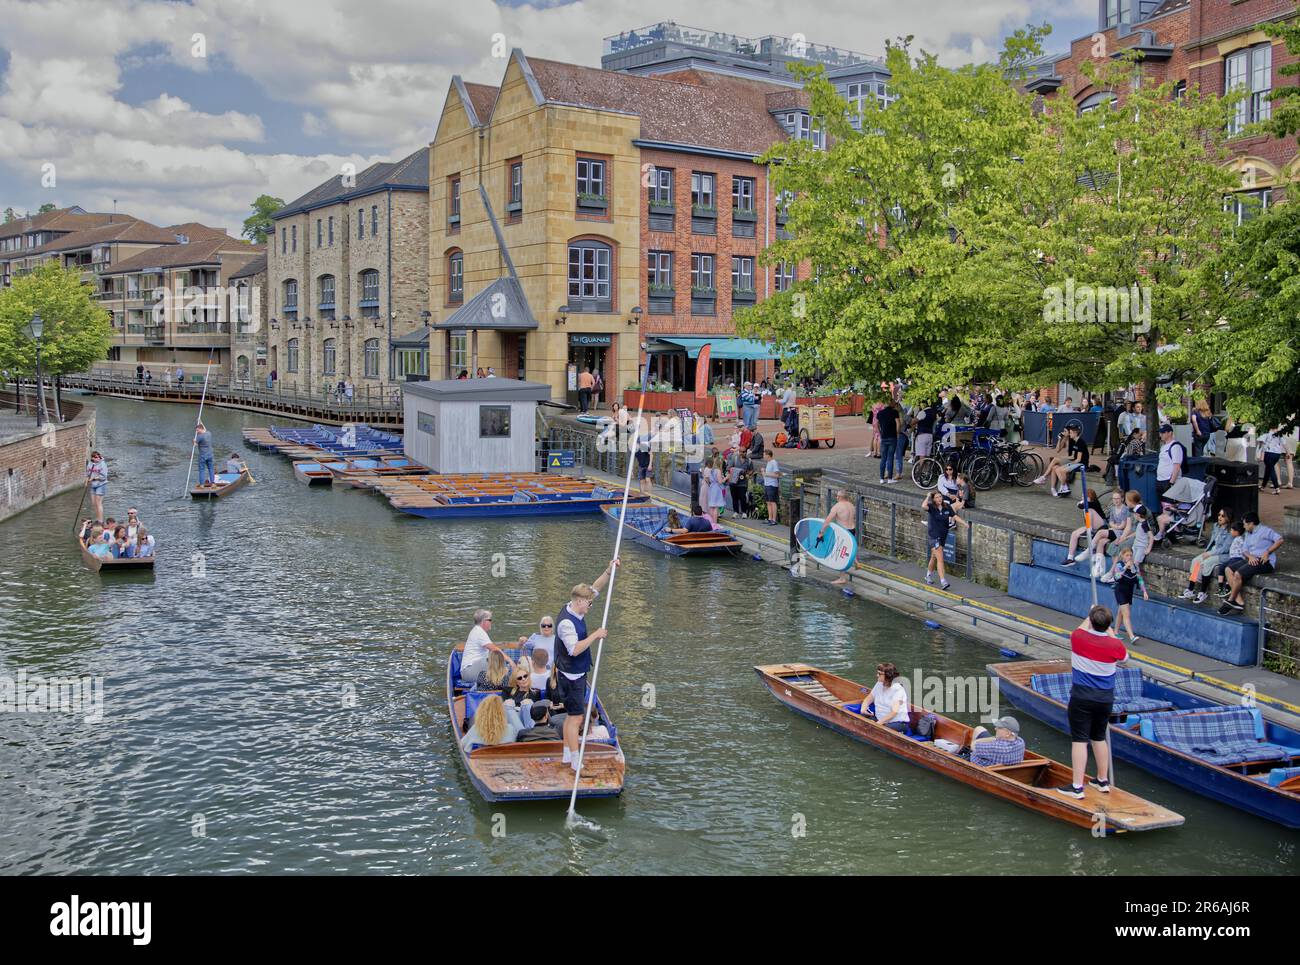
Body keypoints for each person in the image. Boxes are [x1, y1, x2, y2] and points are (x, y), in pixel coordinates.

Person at [554, 560, 619, 769]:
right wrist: (596, 635)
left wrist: (609, 570)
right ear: (579, 601)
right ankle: (575, 760)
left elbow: (597, 587)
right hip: (570, 676)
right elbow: (574, 650)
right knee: (576, 719)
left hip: (576, 674)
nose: (591, 607)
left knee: (571, 717)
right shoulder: (566, 623)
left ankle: (566, 754)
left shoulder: (576, 606)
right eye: (589, 604)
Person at [1057, 606, 1127, 799]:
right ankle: (1102, 781)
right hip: (1105, 699)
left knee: (1080, 740)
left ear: (1091, 620)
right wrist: (1109, 631)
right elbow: (1124, 657)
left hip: (1082, 698)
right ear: (1109, 625)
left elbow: (1081, 627)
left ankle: (1077, 787)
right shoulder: (1115, 646)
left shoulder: (1078, 638)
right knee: (1098, 737)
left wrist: (1089, 614)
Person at [1221, 512, 1283, 614]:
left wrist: (1267, 552)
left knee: (1237, 574)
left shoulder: (1266, 531)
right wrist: (1250, 557)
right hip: (1251, 559)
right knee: (1228, 569)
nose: (1244, 526)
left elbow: (1280, 540)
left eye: (1245, 524)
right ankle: (1238, 601)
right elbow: (1244, 550)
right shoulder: (1247, 534)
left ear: (1251, 523)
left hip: (1265, 561)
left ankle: (1231, 600)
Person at [1182, 509, 1234, 605]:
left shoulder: (1230, 531)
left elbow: (1225, 549)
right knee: (1195, 561)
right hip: (1213, 551)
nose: (1220, 517)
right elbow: (1212, 542)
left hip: (1223, 555)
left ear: (1228, 518)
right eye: (1219, 514)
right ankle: (1190, 589)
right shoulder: (1216, 526)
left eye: (1223, 516)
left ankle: (1203, 592)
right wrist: (1207, 552)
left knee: (1207, 563)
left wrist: (1210, 554)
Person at [1103, 548, 1148, 643]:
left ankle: (1115, 632)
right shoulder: (1119, 565)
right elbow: (1117, 577)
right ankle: (1132, 636)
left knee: (1121, 613)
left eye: (1131, 555)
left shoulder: (1134, 567)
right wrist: (1125, 567)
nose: (1129, 557)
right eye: (1127, 555)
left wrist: (1144, 591)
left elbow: (1140, 579)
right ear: (1123, 556)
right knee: (1126, 614)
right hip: (1120, 590)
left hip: (1129, 592)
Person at [923, 491, 964, 590]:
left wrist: (965, 524)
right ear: (933, 499)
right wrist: (928, 496)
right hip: (933, 536)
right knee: (940, 558)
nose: (939, 499)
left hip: (943, 536)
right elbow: (923, 506)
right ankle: (943, 581)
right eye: (936, 497)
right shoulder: (931, 507)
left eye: (940, 497)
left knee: (934, 556)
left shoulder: (947, 507)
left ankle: (928, 575)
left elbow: (954, 516)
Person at [1035, 422, 1089, 498]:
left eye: (1068, 432)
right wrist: (1060, 439)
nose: (1067, 433)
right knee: (1055, 467)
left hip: (1079, 463)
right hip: (1074, 461)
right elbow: (1061, 451)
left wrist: (1068, 464)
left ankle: (1062, 486)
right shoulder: (1073, 440)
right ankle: (1054, 488)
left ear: (1074, 433)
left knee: (1058, 466)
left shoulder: (1079, 441)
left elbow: (1077, 459)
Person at [818, 490, 858, 586]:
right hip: (852, 529)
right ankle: (856, 562)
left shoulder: (837, 506)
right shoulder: (852, 506)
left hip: (843, 531)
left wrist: (821, 532)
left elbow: (827, 521)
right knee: (849, 548)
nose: (836, 498)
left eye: (837, 496)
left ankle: (842, 578)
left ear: (839, 497)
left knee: (841, 554)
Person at [864, 663, 911, 732]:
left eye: (879, 674)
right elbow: (869, 698)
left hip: (897, 723)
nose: (877, 675)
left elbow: (894, 712)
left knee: (878, 730)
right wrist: (863, 708)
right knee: (862, 718)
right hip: (880, 719)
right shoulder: (879, 683)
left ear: (888, 675)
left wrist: (878, 723)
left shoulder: (898, 689)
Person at [460, 609, 501, 685]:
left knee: (495, 660)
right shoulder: (479, 632)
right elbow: (495, 650)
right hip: (469, 673)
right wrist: (511, 662)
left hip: (469, 672)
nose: (491, 622)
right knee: (496, 658)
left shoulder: (478, 631)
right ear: (484, 621)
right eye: (490, 620)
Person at [874, 399, 902, 483]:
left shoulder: (880, 413)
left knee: (883, 458)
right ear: (892, 403)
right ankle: (890, 478)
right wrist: (897, 433)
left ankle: (881, 478)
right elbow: (898, 423)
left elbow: (876, 424)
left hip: (884, 437)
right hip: (892, 437)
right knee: (890, 458)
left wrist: (880, 432)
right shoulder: (895, 412)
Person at [1258, 426, 1285, 496]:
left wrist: (1261, 453)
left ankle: (1276, 488)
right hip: (1277, 454)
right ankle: (1263, 486)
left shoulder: (1267, 434)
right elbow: (1284, 444)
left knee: (1271, 470)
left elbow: (1263, 444)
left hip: (1268, 453)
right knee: (1268, 470)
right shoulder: (1279, 434)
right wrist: (1287, 452)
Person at [726, 445, 751, 516]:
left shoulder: (749, 461)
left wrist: (748, 474)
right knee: (734, 498)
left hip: (743, 483)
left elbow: (751, 470)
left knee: (743, 498)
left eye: (743, 452)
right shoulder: (734, 459)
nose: (741, 453)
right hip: (733, 482)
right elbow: (728, 468)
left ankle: (744, 512)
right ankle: (735, 512)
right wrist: (736, 471)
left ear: (746, 452)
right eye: (740, 451)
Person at [86, 450, 107, 522]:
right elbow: (88, 474)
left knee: (98, 503)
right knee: (94, 503)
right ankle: (98, 518)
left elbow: (104, 476)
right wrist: (86, 481)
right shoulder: (90, 464)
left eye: (98, 457)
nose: (97, 459)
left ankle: (100, 521)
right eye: (96, 457)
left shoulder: (102, 464)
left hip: (101, 484)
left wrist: (94, 478)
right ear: (92, 458)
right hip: (93, 485)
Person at [704, 456, 726, 524]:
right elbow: (720, 481)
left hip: (711, 487)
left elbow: (708, 479)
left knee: (711, 506)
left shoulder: (711, 470)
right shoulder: (718, 471)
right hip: (716, 488)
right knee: (716, 507)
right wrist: (726, 478)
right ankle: (714, 523)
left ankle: (711, 523)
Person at [193, 421, 216, 487]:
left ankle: (202, 484)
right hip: (210, 455)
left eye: (197, 430)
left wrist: (193, 441)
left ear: (200, 429)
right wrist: (200, 421)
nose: (197, 432)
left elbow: (195, 445)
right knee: (211, 469)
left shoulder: (199, 436)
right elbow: (205, 429)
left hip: (203, 456)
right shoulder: (209, 433)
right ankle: (213, 483)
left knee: (202, 470)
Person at [762, 449, 781, 526]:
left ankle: (774, 519)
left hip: (772, 485)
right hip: (767, 484)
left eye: (764, 455)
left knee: (773, 502)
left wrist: (766, 474)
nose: (763, 456)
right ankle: (770, 518)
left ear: (768, 455)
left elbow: (777, 475)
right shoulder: (768, 463)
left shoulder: (774, 463)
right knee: (768, 502)